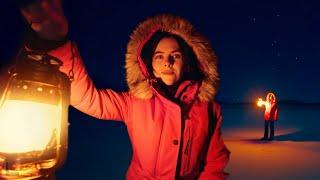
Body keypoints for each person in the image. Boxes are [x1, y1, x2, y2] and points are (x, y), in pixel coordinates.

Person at [20, 0, 230, 179]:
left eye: (175, 55)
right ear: (149, 64)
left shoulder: (208, 108)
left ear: (187, 61)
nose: (167, 62)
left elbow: (214, 163)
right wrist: (54, 43)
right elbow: (89, 99)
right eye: (159, 56)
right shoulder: (134, 103)